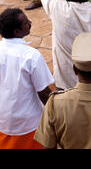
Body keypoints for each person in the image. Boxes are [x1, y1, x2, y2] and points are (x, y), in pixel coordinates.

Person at [0, 8, 54, 149]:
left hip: (3, 120)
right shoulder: (31, 56)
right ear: (17, 32)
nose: (30, 23)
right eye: (25, 22)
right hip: (28, 123)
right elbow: (43, 93)